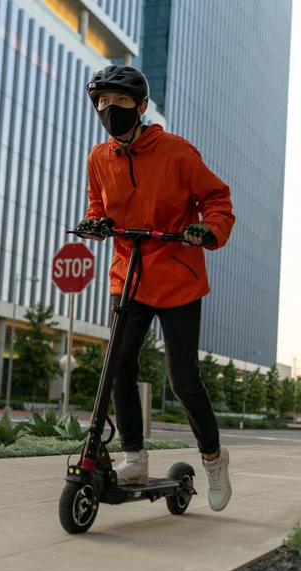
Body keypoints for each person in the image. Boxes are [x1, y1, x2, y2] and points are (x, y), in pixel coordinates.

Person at [77, 65, 235, 512]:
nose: (110, 111)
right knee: (118, 366)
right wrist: (97, 221)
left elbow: (217, 199)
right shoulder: (99, 157)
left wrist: (207, 229)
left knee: (183, 379)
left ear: (141, 107)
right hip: (129, 273)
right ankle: (134, 458)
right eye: (103, 104)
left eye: (120, 103)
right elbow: (97, 200)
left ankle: (213, 459)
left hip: (178, 273)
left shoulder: (177, 152)